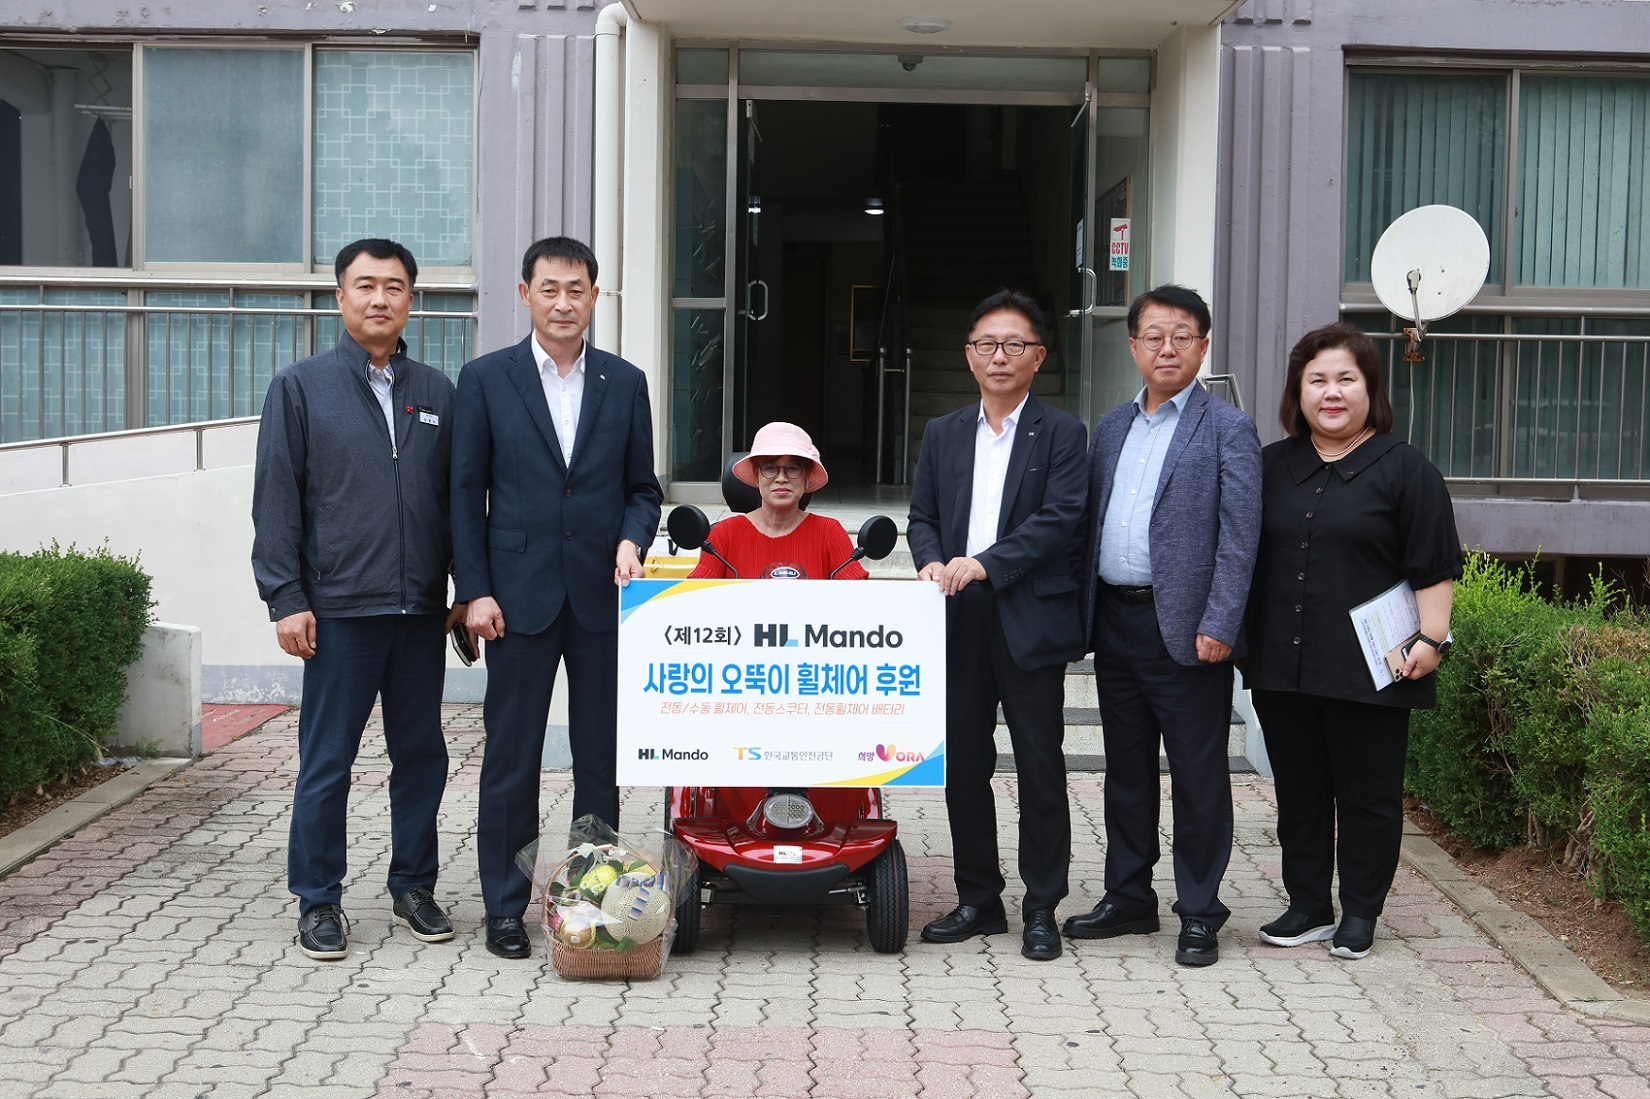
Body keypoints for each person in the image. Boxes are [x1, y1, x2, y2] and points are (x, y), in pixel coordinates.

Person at [451, 236, 664, 960]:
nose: (564, 301)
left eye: (577, 289)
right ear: (525, 294)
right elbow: (462, 495)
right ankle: (507, 907)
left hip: (603, 597)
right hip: (515, 599)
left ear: (595, 298)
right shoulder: (485, 379)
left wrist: (635, 539)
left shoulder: (624, 382)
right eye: (550, 288)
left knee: (599, 760)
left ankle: (589, 900)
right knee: (512, 758)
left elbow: (643, 489)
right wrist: (473, 591)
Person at [252, 238, 459, 961]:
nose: (380, 299)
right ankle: (318, 898)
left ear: (412, 300)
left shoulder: (437, 392)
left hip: (420, 612)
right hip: (339, 610)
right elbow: (277, 499)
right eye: (365, 285)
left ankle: (413, 885)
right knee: (328, 759)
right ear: (339, 298)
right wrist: (285, 596)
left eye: (394, 286)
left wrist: (464, 592)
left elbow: (457, 502)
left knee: (422, 754)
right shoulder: (301, 387)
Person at [1243, 322, 1460, 961]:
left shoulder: (1405, 469)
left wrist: (1433, 639)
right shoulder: (1272, 465)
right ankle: (1308, 904)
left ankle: (1361, 911)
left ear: (1369, 389)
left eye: (1345, 379)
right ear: (1298, 391)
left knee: (1367, 796)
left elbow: (1435, 564)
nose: (1331, 393)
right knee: (1300, 791)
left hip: (1376, 665)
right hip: (1284, 662)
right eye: (1317, 380)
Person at [1065, 284, 1261, 967]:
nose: (1167, 347)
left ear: (1203, 346)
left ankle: (1200, 911)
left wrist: (1221, 621)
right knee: (1126, 771)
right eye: (1154, 334)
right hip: (1116, 623)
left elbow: (1241, 537)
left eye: (1182, 334)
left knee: (1199, 774)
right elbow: (1093, 525)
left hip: (1188, 631)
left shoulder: (1228, 427)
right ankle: (1128, 896)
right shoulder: (1112, 426)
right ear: (1133, 346)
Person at [907, 289, 1088, 962]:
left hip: (1027, 616)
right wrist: (930, 562)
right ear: (969, 355)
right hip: (956, 618)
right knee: (965, 766)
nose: (1000, 356)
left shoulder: (1063, 433)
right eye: (987, 344)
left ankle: (1041, 905)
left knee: (1041, 766)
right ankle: (978, 897)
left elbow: (1059, 520)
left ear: (1038, 357)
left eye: (1015, 345)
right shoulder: (944, 431)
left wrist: (983, 564)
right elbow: (921, 513)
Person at [687, 422, 868, 582]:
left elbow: (858, 602)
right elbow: (693, 597)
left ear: (806, 478)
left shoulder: (829, 533)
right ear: (756, 476)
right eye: (770, 468)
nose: (781, 478)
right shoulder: (724, 534)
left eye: (793, 468)